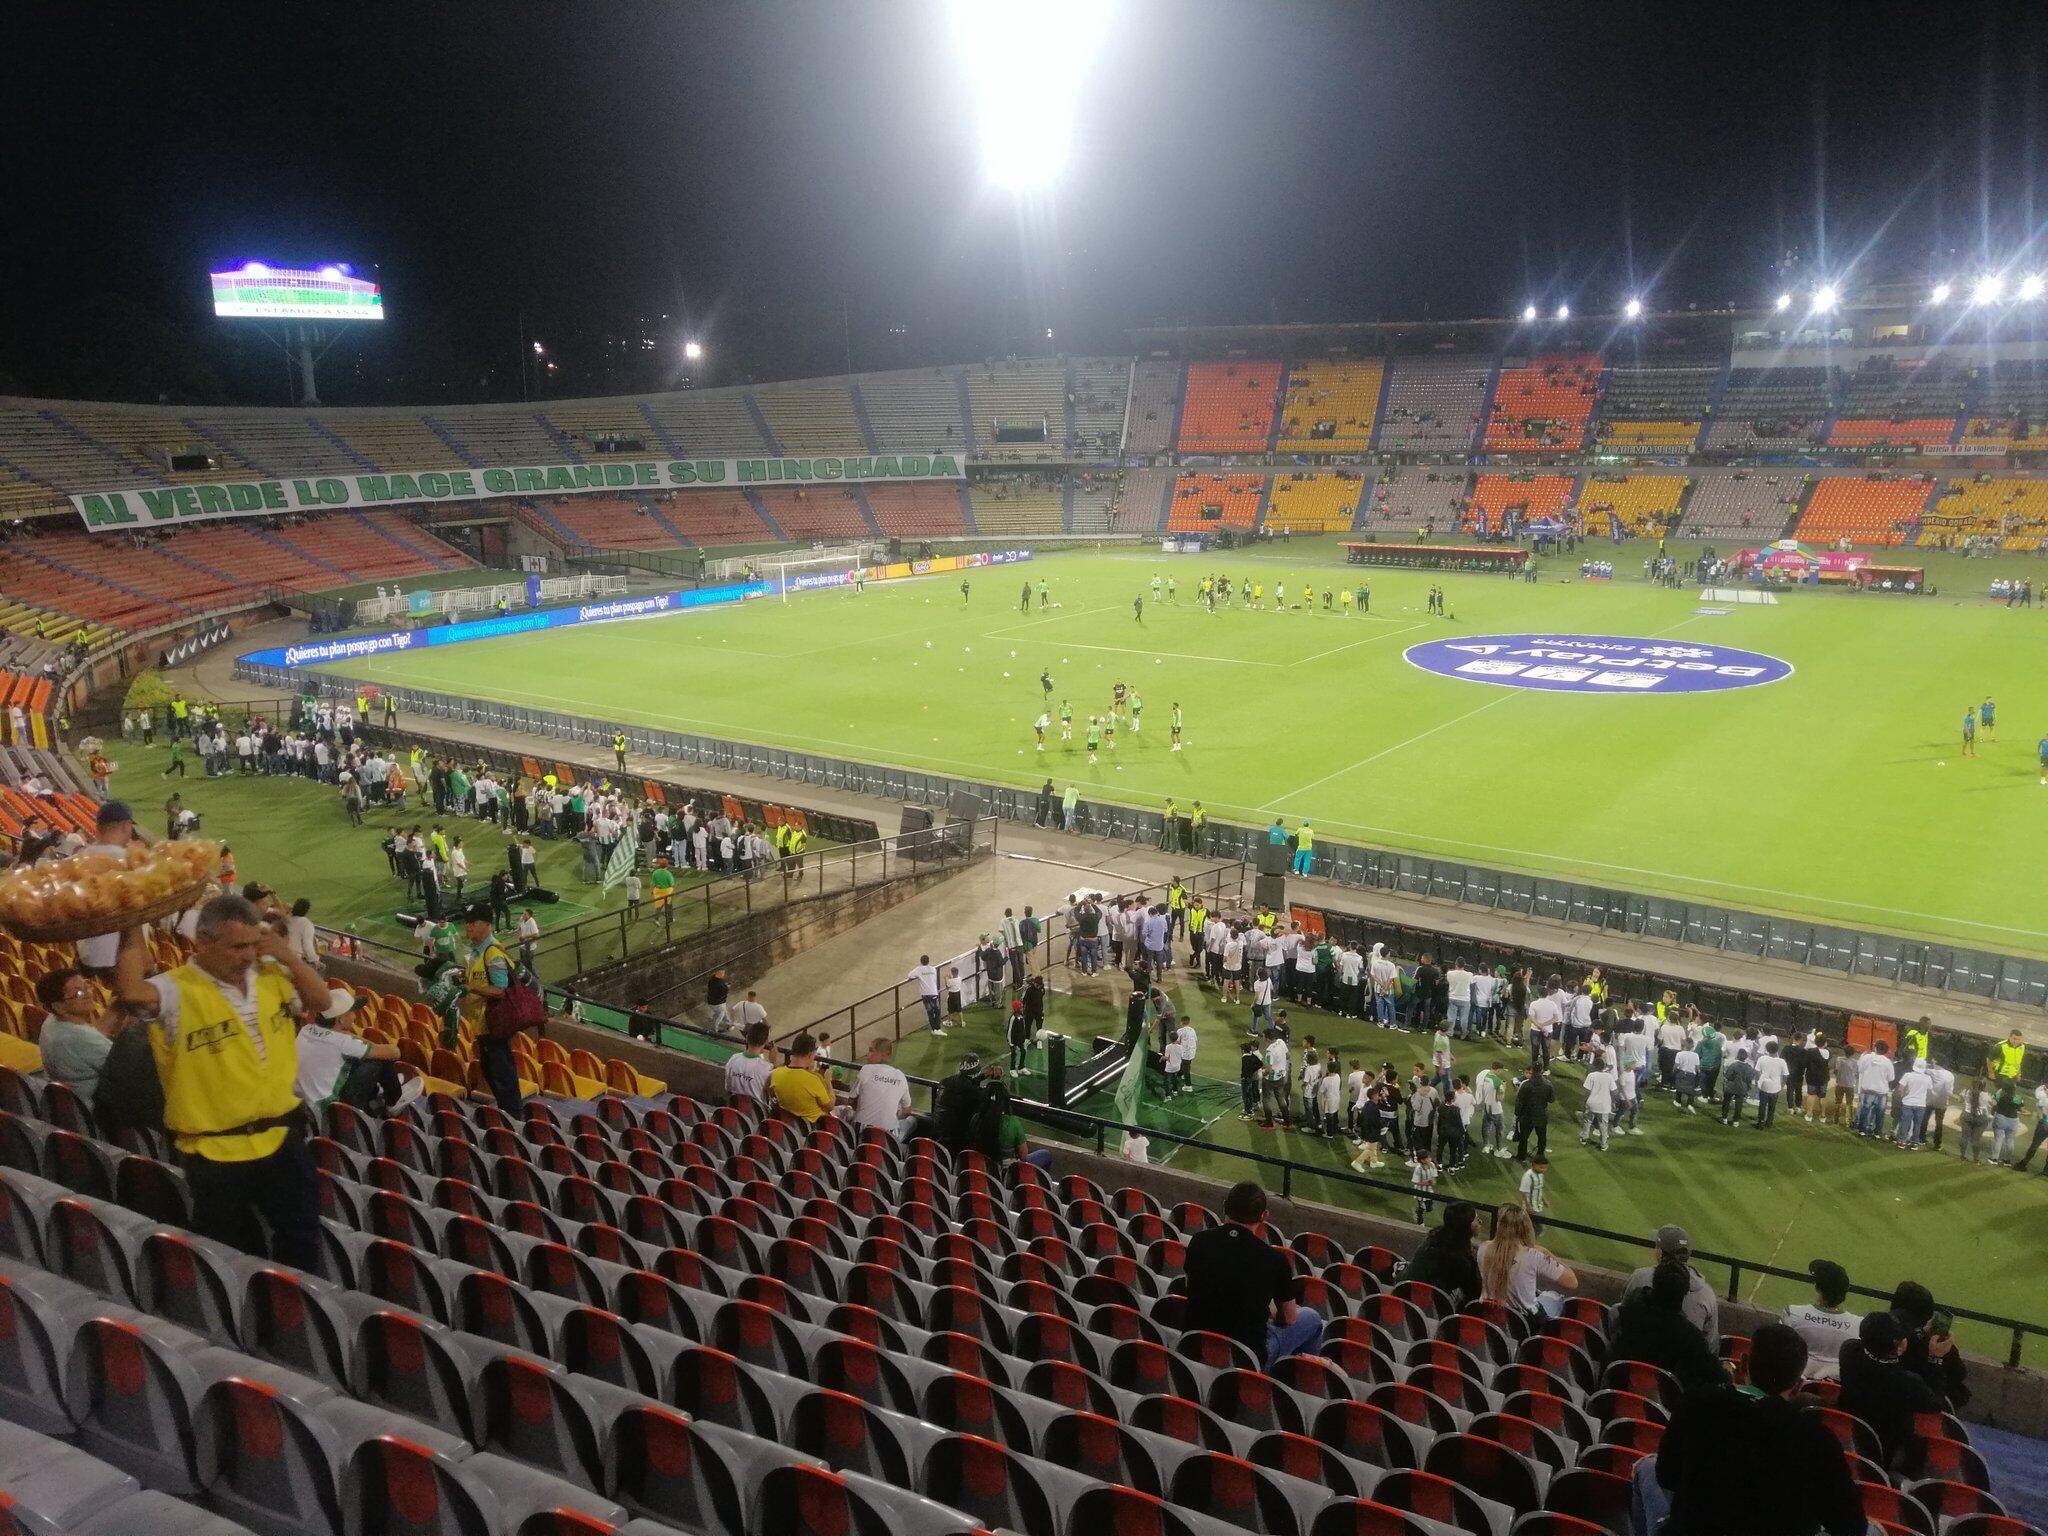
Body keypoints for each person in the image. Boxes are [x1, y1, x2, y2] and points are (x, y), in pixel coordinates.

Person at [113, 895, 328, 1271]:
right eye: (237, 947)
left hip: (282, 1139)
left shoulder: (271, 974)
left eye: (253, 944)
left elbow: (321, 1000)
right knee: (230, 1257)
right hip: (215, 1152)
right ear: (203, 942)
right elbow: (131, 992)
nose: (248, 955)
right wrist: (131, 924)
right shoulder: (177, 989)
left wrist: (289, 957)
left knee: (302, 1241)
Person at [1655, 1323, 1866, 1536]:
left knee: (1647, 1466)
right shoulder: (1817, 1440)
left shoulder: (1696, 1403)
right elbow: (1851, 1526)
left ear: (1743, 1364)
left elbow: (1666, 1475)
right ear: (1797, 1386)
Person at [1182, 1180, 1323, 1367]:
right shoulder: (1274, 1260)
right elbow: (1289, 1318)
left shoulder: (1199, 1241)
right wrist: (1270, 1307)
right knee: (1311, 1318)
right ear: (1264, 1216)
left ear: (1225, 1206)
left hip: (1193, 1346)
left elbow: (1194, 1287)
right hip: (1245, 1360)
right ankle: (1297, 1376)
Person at [1837, 1310, 1941, 1468]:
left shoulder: (1849, 1351)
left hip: (1845, 1439)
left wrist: (1922, 1332)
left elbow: (1877, 1347)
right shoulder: (1908, 1383)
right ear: (1898, 1344)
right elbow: (1936, 1403)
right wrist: (1935, 1358)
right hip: (1887, 1455)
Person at [295, 986, 418, 1114]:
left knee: (356, 1059)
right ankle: (393, 1101)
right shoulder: (343, 1042)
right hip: (327, 1110)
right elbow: (394, 1052)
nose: (355, 1015)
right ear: (341, 1019)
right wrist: (354, 1037)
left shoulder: (306, 1029)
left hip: (302, 1103)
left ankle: (376, 1093)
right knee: (380, 1061)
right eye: (352, 1011)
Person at [1610, 1259, 1729, 1392]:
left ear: (1654, 1284)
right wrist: (1728, 1372)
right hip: (1665, 1402)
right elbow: (1716, 1375)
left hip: (1616, 1393)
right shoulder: (1691, 1337)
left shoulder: (1628, 1313)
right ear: (1684, 1294)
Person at [461, 903, 522, 1112]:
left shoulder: (492, 953)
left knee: (502, 1074)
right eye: (467, 922)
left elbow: (501, 990)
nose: (468, 926)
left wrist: (472, 987)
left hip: (495, 1026)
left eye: (473, 922)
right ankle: (508, 1113)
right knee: (490, 1070)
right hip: (482, 1025)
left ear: (487, 924)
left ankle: (513, 1118)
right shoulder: (476, 952)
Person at [33, 968, 119, 1106]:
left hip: (66, 1100)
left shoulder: (51, 1021)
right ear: (59, 1006)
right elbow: (126, 1067)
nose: (88, 994)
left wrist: (115, 1009)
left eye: (87, 986)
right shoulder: (78, 1037)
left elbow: (93, 1038)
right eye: (78, 993)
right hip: (93, 1107)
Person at [1476, 1202, 1576, 1319]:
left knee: (1541, 1295)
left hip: (1491, 1315)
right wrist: (1546, 1252)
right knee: (1557, 1298)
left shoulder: (1483, 1248)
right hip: (1526, 1320)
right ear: (1525, 1228)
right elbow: (1572, 1282)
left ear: (1499, 1225)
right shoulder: (1533, 1255)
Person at [1621, 1226, 1720, 1342]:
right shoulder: (1707, 1294)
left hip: (1638, 1349)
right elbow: (1711, 1342)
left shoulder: (1640, 1277)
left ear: (1660, 1252)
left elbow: (1622, 1315)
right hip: (1686, 1352)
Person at [1783, 1259, 1862, 1380]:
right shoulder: (1858, 1324)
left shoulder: (1793, 1313)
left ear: (1817, 1287)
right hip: (1834, 1388)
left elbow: (1778, 1349)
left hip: (1794, 1383)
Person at [1402, 1200, 1481, 1305]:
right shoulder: (1462, 1260)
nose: (1480, 1222)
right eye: (1476, 1219)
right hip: (1428, 1305)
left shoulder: (1433, 1238)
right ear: (1466, 1226)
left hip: (1405, 1294)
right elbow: (1474, 1294)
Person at [850, 1038, 913, 1137]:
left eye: (871, 1050)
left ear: (884, 1055)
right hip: (888, 1134)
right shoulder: (900, 1076)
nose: (867, 1054)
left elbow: (851, 1100)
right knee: (912, 1121)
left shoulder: (866, 1070)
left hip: (861, 1129)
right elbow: (906, 1111)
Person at [768, 1033, 835, 1124]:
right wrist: (828, 1081)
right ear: (810, 1055)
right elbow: (830, 1106)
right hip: (814, 1126)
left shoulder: (776, 1074)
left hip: (789, 1125)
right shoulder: (814, 1079)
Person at [724, 1022, 773, 1104]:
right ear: (766, 1042)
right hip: (758, 1111)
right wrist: (773, 1062)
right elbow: (771, 1094)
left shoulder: (733, 1059)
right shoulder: (767, 1067)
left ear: (747, 1038)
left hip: (734, 1108)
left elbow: (728, 1089)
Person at [1511, 1063, 1553, 1160]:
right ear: (1541, 1070)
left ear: (1532, 1071)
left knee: (1523, 1137)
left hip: (1527, 1115)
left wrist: (1517, 1114)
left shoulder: (1525, 1084)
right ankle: (1540, 1155)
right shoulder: (1548, 1084)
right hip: (1541, 1115)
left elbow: (1519, 1101)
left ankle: (1521, 1156)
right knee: (1542, 1137)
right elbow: (1551, 1099)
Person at [908, 953, 942, 1034]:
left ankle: (934, 1029)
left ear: (921, 961)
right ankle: (937, 1028)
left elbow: (910, 975)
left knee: (930, 1012)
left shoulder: (918, 969)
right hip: (933, 993)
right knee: (937, 1011)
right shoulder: (933, 969)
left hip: (925, 994)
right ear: (928, 961)